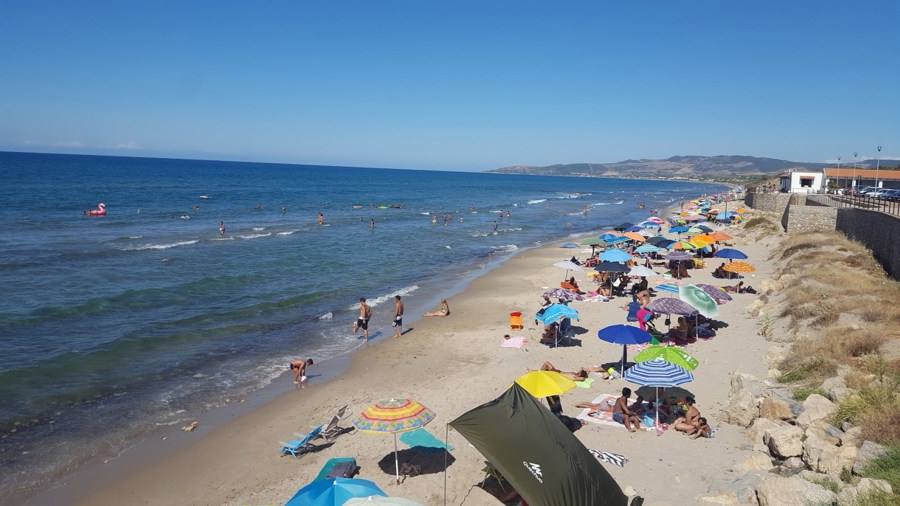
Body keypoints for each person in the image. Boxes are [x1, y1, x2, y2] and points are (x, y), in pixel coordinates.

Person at [539, 361, 605, 381]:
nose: (578, 371)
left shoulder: (575, 377)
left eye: (579, 372)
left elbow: (583, 378)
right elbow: (585, 375)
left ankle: (539, 373)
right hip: (558, 372)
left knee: (546, 363)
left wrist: (586, 373)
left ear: (579, 374)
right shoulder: (576, 375)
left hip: (557, 375)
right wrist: (589, 371)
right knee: (547, 367)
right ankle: (537, 371)